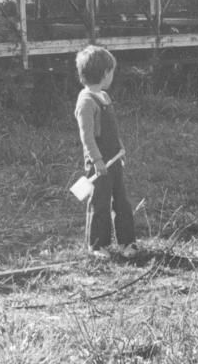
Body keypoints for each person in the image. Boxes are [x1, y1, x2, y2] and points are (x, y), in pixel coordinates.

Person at [74, 45, 138, 259]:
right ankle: (96, 245)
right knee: (100, 202)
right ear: (103, 73)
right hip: (99, 162)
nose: (112, 75)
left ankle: (127, 242)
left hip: (114, 159)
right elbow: (87, 137)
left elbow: (112, 128)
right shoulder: (85, 102)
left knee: (121, 199)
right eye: (111, 71)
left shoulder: (104, 96)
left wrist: (120, 148)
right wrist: (97, 160)